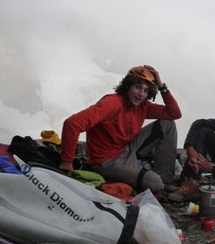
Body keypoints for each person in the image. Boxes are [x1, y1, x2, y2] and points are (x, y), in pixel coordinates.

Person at [59, 65, 182, 194]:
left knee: (167, 123)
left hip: (127, 147)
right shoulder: (112, 103)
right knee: (154, 183)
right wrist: (67, 161)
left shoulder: (142, 105)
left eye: (146, 90)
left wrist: (161, 86)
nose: (141, 94)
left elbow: (174, 114)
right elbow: (72, 124)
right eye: (137, 87)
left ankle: (165, 180)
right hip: (107, 162)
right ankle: (156, 181)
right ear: (127, 85)